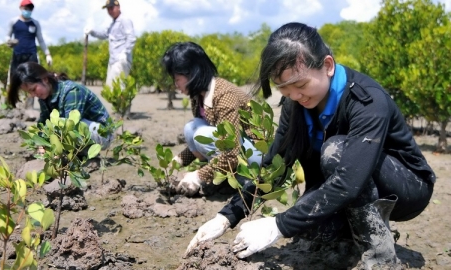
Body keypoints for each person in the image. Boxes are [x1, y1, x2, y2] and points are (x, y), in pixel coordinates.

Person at [184, 22, 435, 269]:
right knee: (309, 226)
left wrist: (277, 225)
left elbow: (349, 181)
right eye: (285, 89)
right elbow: (274, 167)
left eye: (301, 85)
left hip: (407, 187)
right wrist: (227, 216)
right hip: (348, 184)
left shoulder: (367, 101)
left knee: (335, 151)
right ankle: (352, 237)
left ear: (327, 65)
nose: (294, 96)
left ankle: (381, 260)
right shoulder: (295, 106)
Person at [161, 41, 262, 197]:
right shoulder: (197, 96)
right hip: (236, 149)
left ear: (191, 74)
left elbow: (231, 152)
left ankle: (242, 177)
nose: (175, 85)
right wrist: (176, 162)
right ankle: (220, 172)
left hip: (255, 156)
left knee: (201, 134)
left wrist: (198, 176)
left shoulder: (224, 96)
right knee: (191, 128)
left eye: (177, 79)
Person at [7, 62, 113, 151]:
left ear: (45, 80)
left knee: (62, 126)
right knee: (51, 127)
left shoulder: (71, 91)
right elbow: (43, 122)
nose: (33, 95)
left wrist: (52, 148)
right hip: (82, 134)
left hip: (102, 134)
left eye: (33, 89)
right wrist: (40, 143)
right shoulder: (44, 97)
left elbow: (71, 126)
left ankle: (75, 155)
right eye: (29, 92)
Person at [7, 0, 52, 109]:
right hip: (17, 55)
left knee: (33, 81)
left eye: (30, 9)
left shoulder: (35, 23)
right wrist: (9, 42)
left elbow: (41, 40)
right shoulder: (14, 22)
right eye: (26, 8)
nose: (28, 11)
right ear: (21, 8)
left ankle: (29, 107)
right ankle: (10, 106)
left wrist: (47, 54)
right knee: (13, 80)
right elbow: (7, 36)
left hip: (31, 55)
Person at [84, 0, 136, 89]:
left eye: (112, 8)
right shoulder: (113, 23)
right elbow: (104, 35)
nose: (110, 11)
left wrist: (125, 52)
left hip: (121, 60)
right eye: (108, 9)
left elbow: (131, 38)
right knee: (110, 89)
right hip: (113, 60)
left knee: (119, 89)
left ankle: (123, 103)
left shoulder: (124, 20)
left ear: (118, 7)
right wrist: (92, 32)